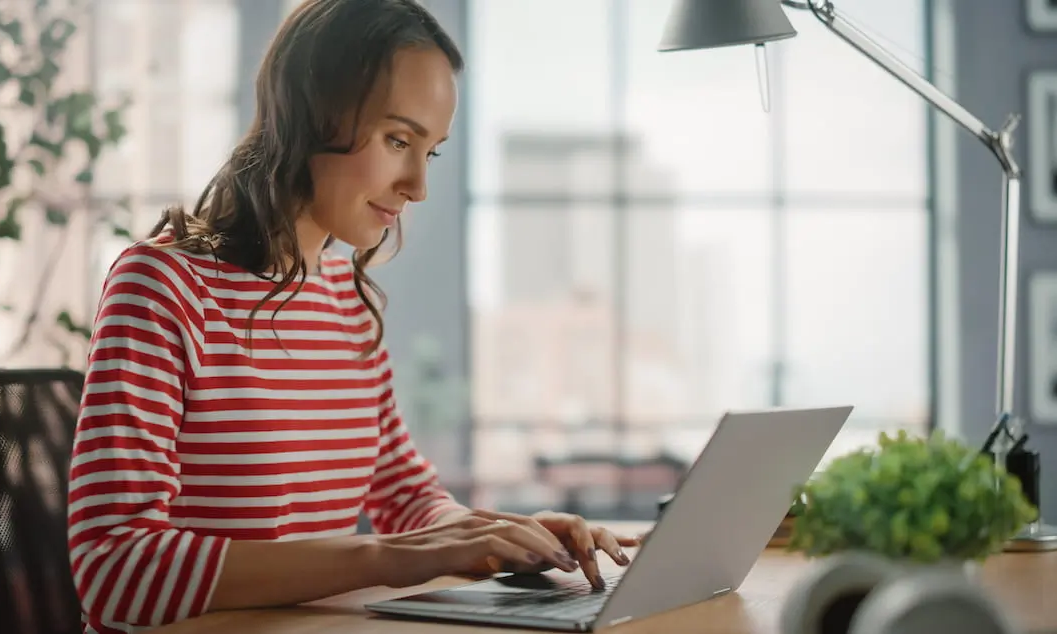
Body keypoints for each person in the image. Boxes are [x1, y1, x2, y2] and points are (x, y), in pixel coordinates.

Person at [66, 1, 640, 632]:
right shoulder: (162, 286)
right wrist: (385, 558)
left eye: (432, 152)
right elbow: (113, 567)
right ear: (312, 115)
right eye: (398, 140)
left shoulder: (346, 298)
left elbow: (404, 496)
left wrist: (495, 534)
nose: (417, 185)